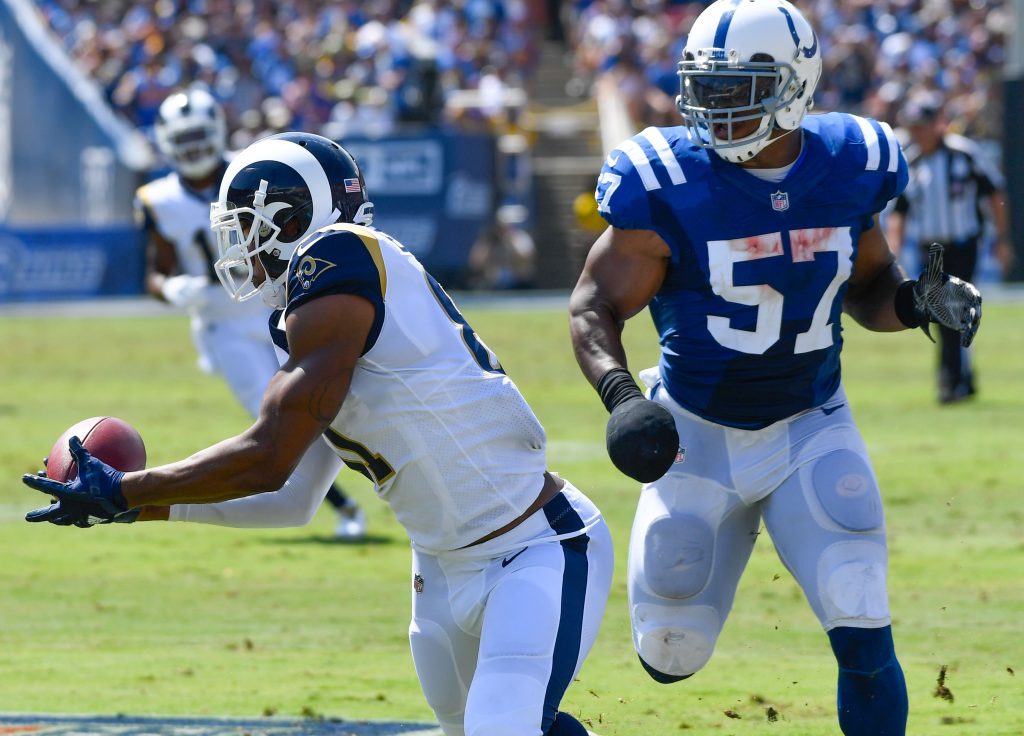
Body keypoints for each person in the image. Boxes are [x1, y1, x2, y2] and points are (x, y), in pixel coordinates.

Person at [25, 132, 613, 736]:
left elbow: (268, 457)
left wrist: (130, 489)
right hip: (438, 569)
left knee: (505, 730)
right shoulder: (312, 312)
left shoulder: (343, 258)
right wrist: (140, 509)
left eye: (247, 226)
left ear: (292, 217)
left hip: (533, 548)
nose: (241, 246)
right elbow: (293, 497)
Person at [567, 2, 982, 735]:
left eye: (738, 87)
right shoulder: (665, 179)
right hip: (696, 431)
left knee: (861, 617)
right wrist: (623, 397)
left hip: (810, 425)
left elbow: (868, 289)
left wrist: (919, 300)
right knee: (670, 652)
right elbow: (593, 307)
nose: (714, 107)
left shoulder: (850, 163)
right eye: (706, 86)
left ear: (795, 84)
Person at [137, 87, 365, 539]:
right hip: (221, 317)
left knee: (317, 402)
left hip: (276, 302)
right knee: (274, 413)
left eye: (200, 136)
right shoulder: (158, 198)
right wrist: (173, 288)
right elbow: (153, 274)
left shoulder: (252, 173)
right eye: (184, 140)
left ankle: (350, 492)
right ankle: (343, 504)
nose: (194, 148)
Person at [886, 93, 1011, 404]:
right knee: (947, 315)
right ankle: (961, 380)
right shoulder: (912, 163)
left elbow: (995, 193)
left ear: (938, 125)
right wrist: (894, 250)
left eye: (923, 126)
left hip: (964, 245)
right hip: (930, 249)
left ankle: (949, 383)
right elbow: (899, 212)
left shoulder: (964, 154)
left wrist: (1002, 239)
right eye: (914, 127)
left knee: (949, 313)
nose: (918, 133)